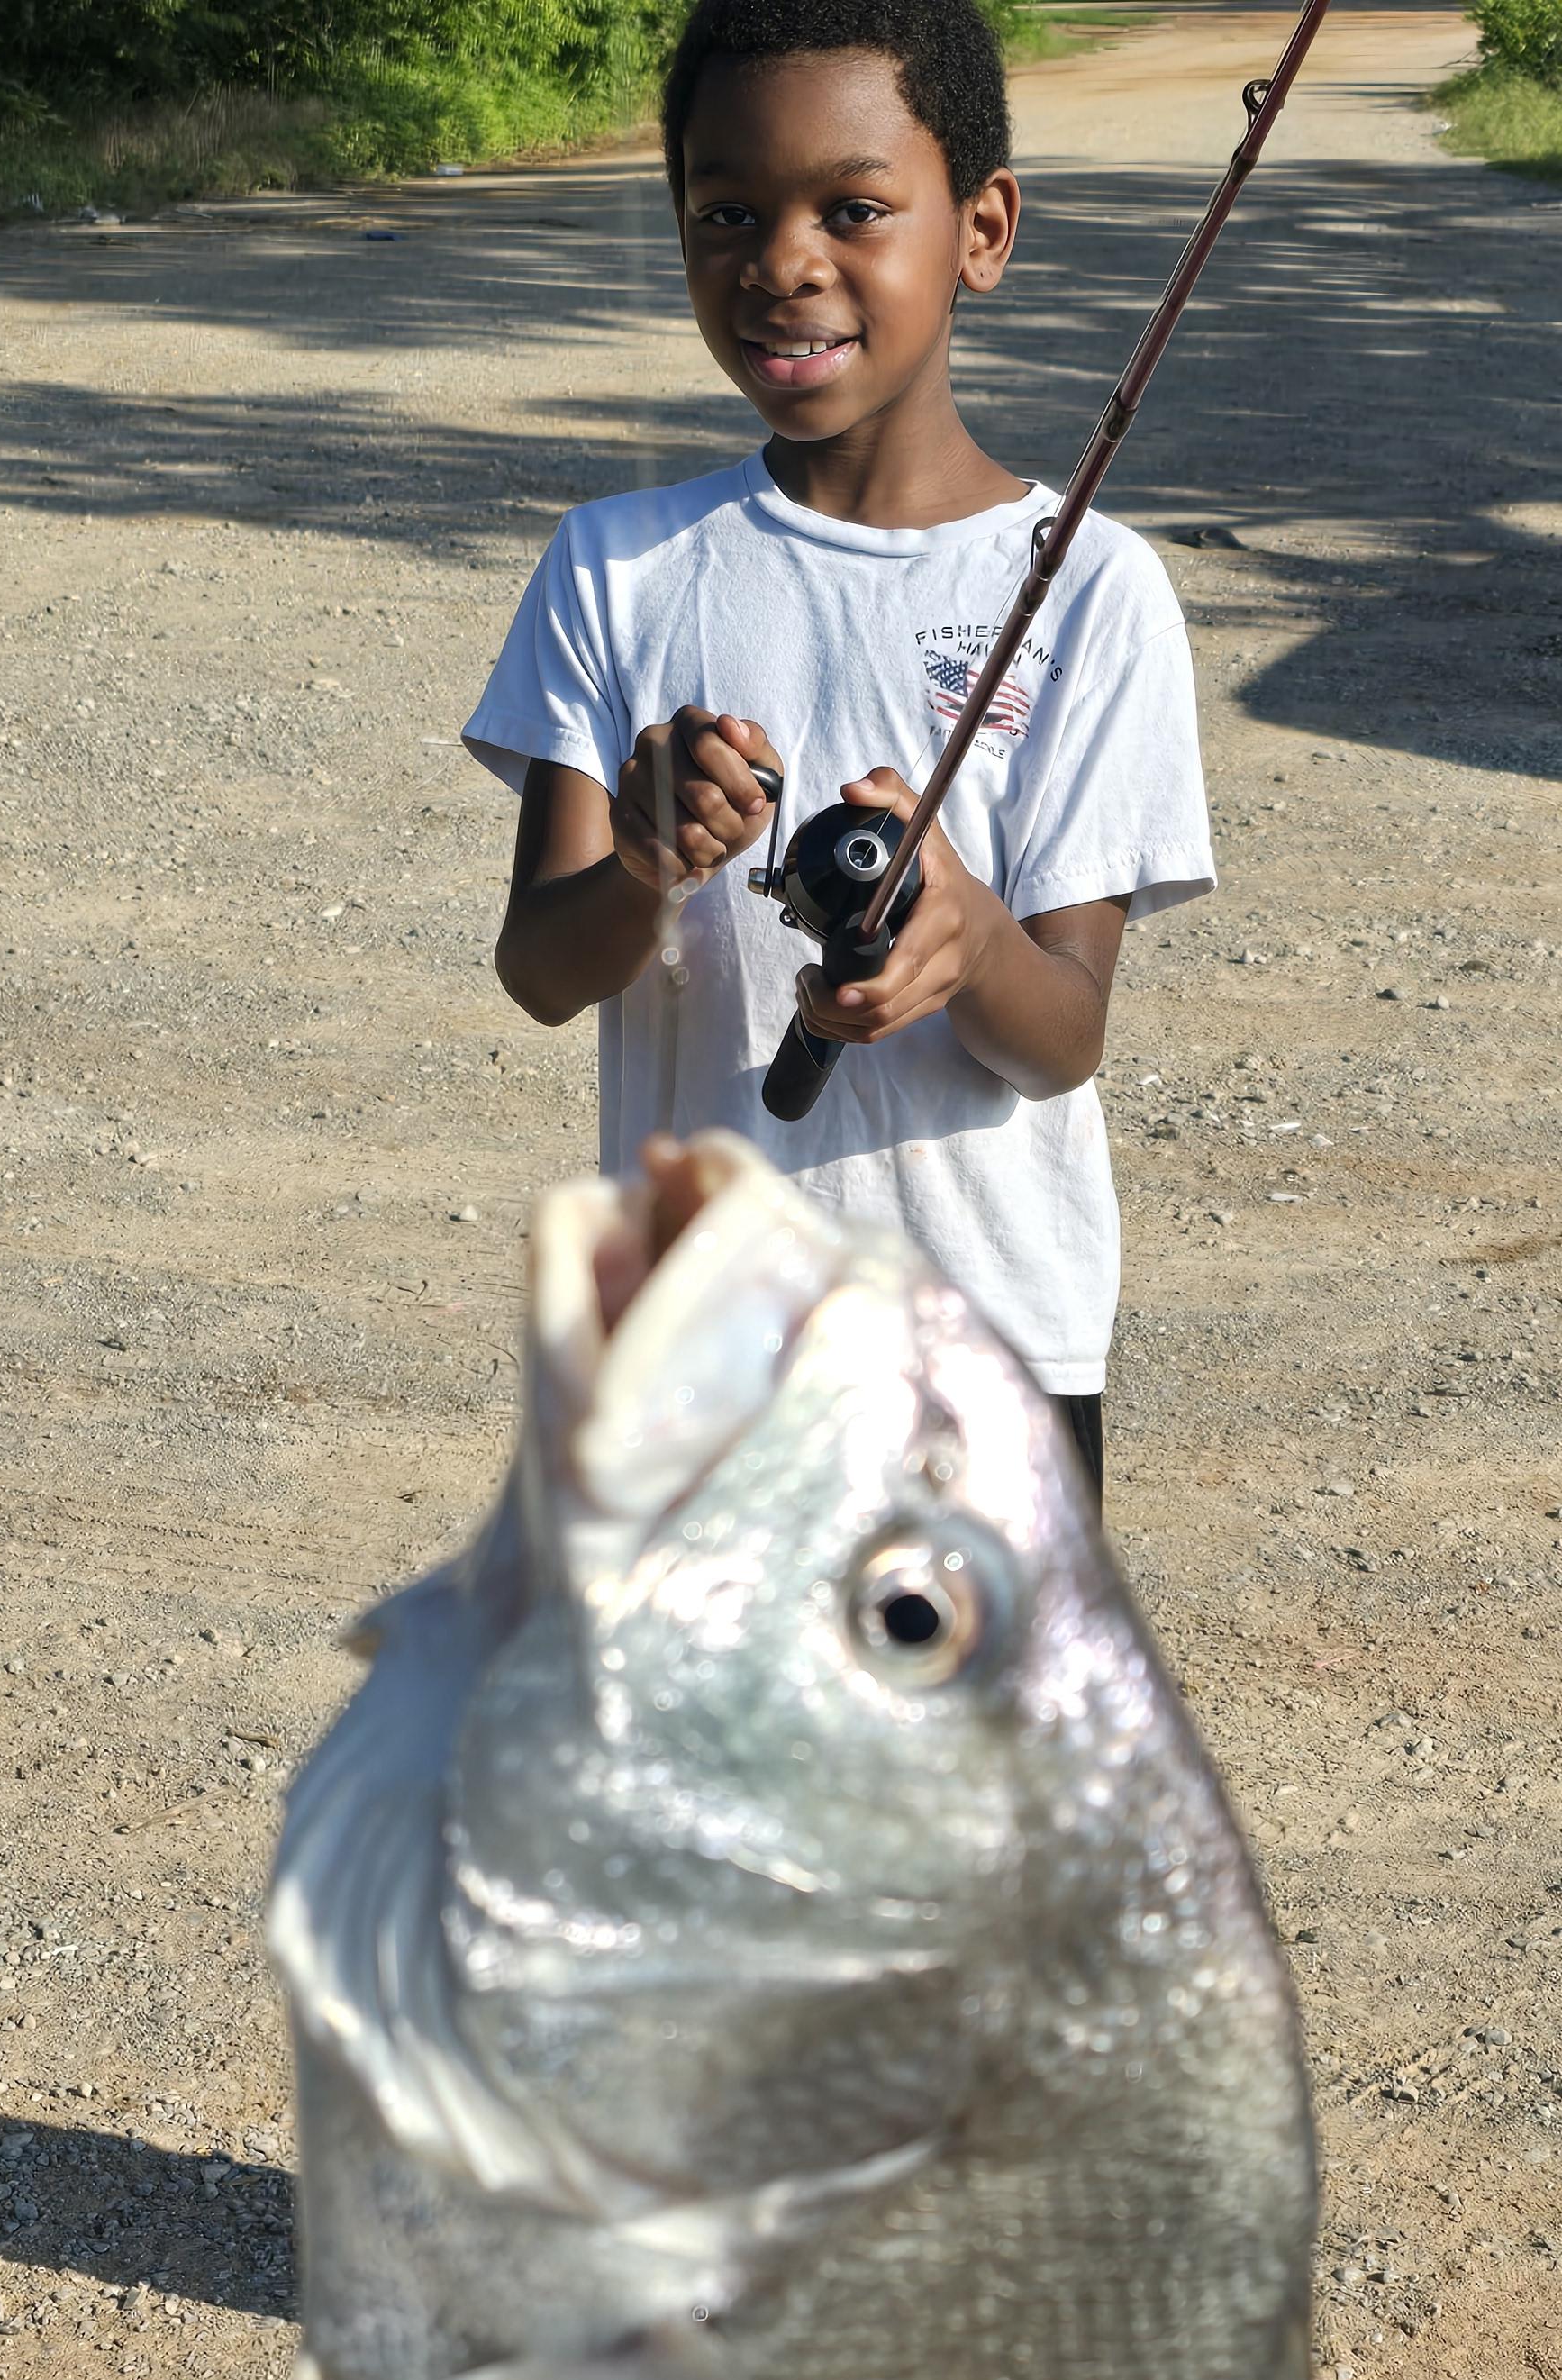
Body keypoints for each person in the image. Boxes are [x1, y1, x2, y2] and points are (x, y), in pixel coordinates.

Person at [465, 0, 1217, 1503]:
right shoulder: (615, 566)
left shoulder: (1095, 588)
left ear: (982, 230)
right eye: (726, 214)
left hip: (987, 1354)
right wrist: (643, 859)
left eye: (853, 210)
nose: (783, 263)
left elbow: (1060, 1036)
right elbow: (541, 969)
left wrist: (968, 936)